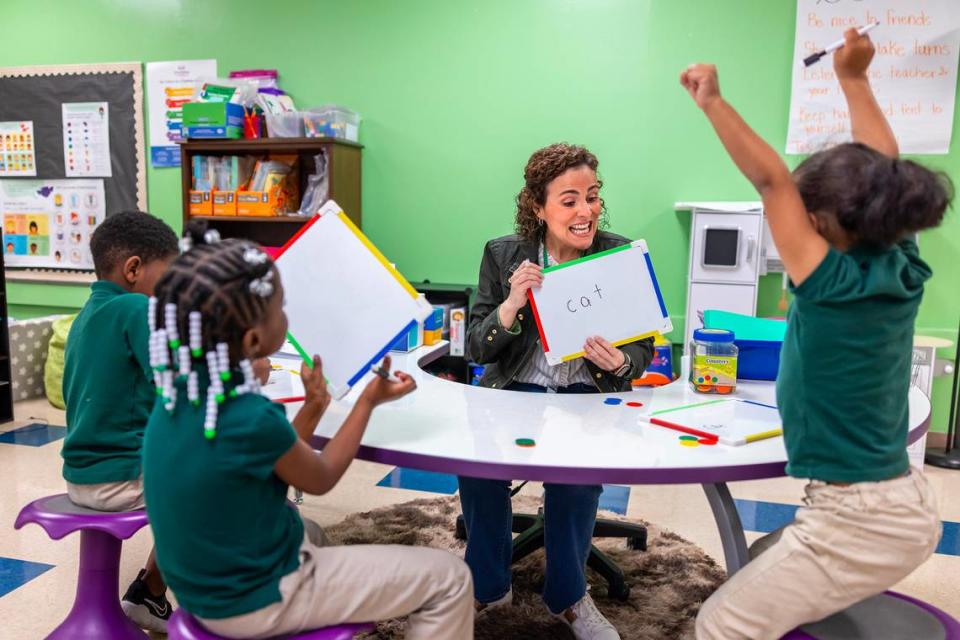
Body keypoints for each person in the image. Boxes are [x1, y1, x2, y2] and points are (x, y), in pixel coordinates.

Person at [680, 30, 950, 640]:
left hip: (856, 518)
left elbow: (772, 181)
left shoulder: (830, 285)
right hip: (902, 505)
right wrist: (854, 79)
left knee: (720, 623)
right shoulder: (899, 264)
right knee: (760, 559)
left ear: (822, 224)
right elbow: (881, 165)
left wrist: (713, 101)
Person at [142, 225, 474, 639]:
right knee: (450, 577)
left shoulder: (176, 397)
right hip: (253, 599)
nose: (287, 316)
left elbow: (272, 462)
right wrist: (368, 400)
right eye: (281, 309)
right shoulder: (249, 415)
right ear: (253, 339)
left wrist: (315, 405)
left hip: (198, 587)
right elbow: (321, 476)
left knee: (311, 531)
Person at [460, 143, 655, 640]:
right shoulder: (504, 254)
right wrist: (511, 305)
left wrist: (622, 360)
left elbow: (644, 349)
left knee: (575, 477)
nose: (586, 211)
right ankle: (488, 587)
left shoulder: (618, 253)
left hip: (585, 396)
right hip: (513, 392)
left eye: (592, 197)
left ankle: (567, 598)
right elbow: (477, 349)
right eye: (569, 200)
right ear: (537, 207)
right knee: (477, 470)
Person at [61, 211, 180, 632]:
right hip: (119, 479)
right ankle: (224, 607)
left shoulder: (89, 314)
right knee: (224, 479)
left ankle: (150, 593)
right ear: (134, 269)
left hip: (82, 475)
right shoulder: (136, 307)